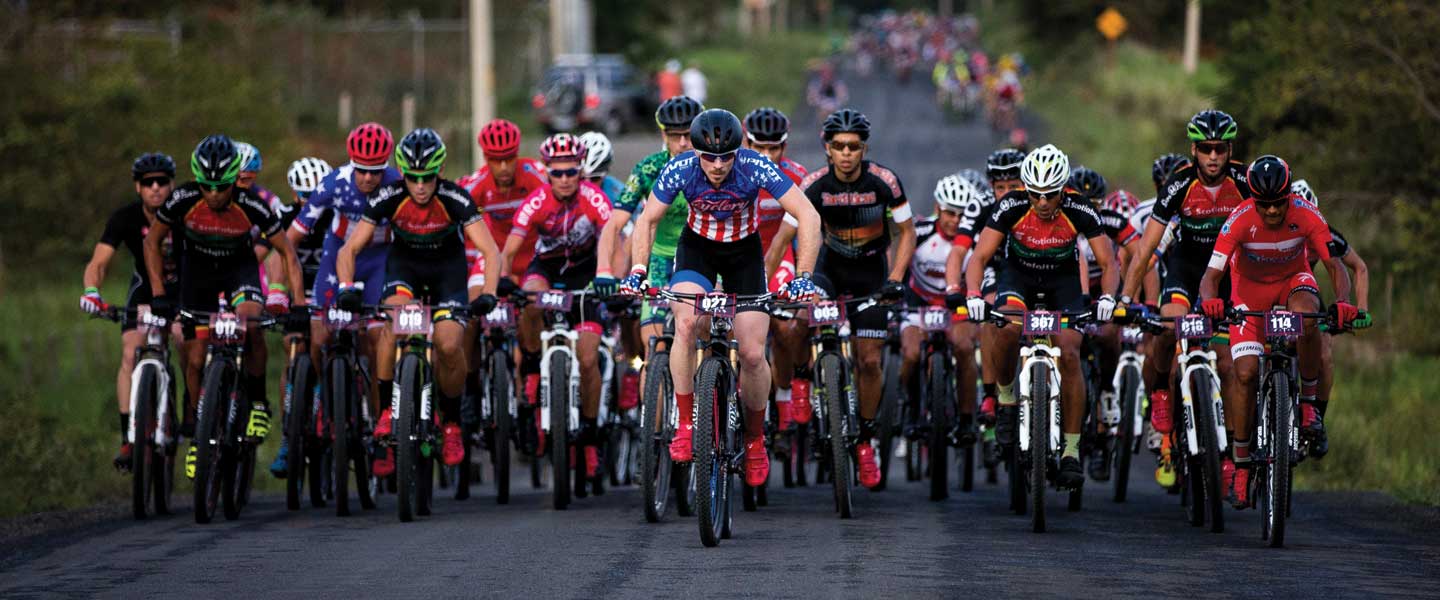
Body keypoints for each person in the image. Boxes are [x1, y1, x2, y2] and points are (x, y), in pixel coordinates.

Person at [620, 108, 822, 489]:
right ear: (695, 152)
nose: (716, 165)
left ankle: (756, 439)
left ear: (738, 150)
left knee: (750, 353)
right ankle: (683, 423)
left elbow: (807, 215)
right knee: (684, 324)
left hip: (744, 256)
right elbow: (646, 220)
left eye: (725, 156)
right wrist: (637, 271)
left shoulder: (754, 165)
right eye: (708, 156)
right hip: (697, 251)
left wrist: (804, 276)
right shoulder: (680, 168)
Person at [950, 144, 1119, 489]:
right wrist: (973, 295)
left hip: (1064, 283)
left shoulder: (1079, 207)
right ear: (1025, 188)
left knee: (1070, 352)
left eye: (1051, 195)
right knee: (1006, 328)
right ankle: (1008, 398)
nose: (1042, 203)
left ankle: (1071, 451)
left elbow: (1108, 263)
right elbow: (979, 258)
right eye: (1035, 194)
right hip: (1019, 279)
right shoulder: (1010, 205)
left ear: (1063, 190)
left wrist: (1107, 299)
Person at [335, 128, 501, 475]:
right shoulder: (389, 196)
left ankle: (452, 424)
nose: (420, 186)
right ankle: (385, 413)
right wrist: (347, 286)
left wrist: (488, 293)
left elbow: (489, 250)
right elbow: (350, 247)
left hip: (447, 276)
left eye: (427, 178)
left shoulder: (455, 198)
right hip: (405, 271)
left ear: (438, 173)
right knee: (391, 327)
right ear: (403, 174)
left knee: (450, 344)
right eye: (412, 178)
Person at [767, 108, 917, 490]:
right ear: (827, 149)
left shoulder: (885, 182)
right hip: (827, 271)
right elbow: (783, 239)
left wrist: (897, 279)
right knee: (795, 321)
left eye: (853, 146)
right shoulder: (814, 185)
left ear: (863, 148)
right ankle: (801, 379)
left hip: (871, 277)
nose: (846, 153)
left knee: (869, 361)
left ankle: (865, 441)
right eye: (838, 146)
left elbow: (907, 233)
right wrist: (764, 287)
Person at [142, 135, 306, 479]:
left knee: (251, 323)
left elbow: (287, 252)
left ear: (235, 179)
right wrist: (158, 293)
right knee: (195, 356)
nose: (214, 194)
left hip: (238, 270)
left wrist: (300, 303)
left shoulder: (253, 205)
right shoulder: (182, 198)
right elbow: (152, 242)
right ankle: (199, 438)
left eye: (221, 186)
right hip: (197, 275)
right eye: (207, 186)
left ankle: (259, 403)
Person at [1199, 155, 1355, 508]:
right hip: (1248, 295)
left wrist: (1344, 300)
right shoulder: (1238, 219)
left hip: (1292, 283)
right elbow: (1211, 277)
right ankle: (1240, 463)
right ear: (1252, 198)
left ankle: (1309, 403)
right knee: (1246, 373)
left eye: (1278, 202)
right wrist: (1211, 302)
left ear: (1289, 194)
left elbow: (1334, 265)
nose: (1271, 211)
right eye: (1264, 204)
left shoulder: (1308, 214)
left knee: (1309, 316)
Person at [1121, 109, 1249, 489]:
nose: (1213, 157)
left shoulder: (1245, 180)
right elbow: (1145, 249)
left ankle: (1228, 454)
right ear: (1193, 149)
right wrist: (1125, 298)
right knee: (1166, 327)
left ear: (1230, 150)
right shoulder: (1178, 185)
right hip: (1187, 269)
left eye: (1220, 149)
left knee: (1229, 364)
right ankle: (1161, 392)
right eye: (1206, 149)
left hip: (1228, 273)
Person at [497, 133, 614, 493]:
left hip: (586, 274)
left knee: (590, 358)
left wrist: (612, 277)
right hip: (545, 270)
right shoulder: (535, 202)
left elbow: (615, 240)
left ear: (580, 172)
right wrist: (503, 279)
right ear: (547, 173)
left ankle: (591, 438)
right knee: (529, 299)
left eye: (571, 173)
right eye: (557, 173)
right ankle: (532, 368)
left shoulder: (595, 198)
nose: (564, 179)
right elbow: (510, 248)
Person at [594, 96, 704, 397]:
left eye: (689, 135)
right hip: (659, 261)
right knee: (652, 350)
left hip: (703, 260)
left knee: (706, 337)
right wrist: (605, 270)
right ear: (662, 135)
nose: (683, 143)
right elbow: (615, 224)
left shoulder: (713, 166)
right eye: (674, 136)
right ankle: (652, 439)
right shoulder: (648, 169)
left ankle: (709, 402)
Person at [80, 152, 182, 470]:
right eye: (148, 182)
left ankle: (195, 415)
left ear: (172, 185)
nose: (155, 188)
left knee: (184, 339)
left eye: (162, 182)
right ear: (137, 187)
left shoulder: (185, 214)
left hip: (182, 290)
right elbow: (98, 262)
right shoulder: (124, 217)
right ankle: (128, 438)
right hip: (144, 292)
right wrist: (92, 292)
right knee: (129, 352)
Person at [900, 174, 984, 455]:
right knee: (911, 355)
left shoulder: (975, 239)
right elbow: (898, 265)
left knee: (963, 347)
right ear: (938, 207)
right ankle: (911, 410)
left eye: (961, 215)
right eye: (949, 212)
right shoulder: (920, 231)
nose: (955, 220)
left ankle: (966, 418)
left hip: (956, 307)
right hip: (920, 302)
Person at [945, 148, 1025, 432]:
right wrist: (956, 288)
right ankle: (991, 394)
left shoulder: (1039, 200)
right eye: (999, 187)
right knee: (993, 311)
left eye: (1013, 187)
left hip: (1036, 269)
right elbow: (958, 252)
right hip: (998, 267)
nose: (1005, 193)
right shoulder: (980, 205)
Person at [267, 157, 334, 478]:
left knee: (322, 343)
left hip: (329, 291)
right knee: (293, 352)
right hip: (298, 292)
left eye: (317, 194)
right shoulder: (284, 216)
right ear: (295, 194)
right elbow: (273, 257)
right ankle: (287, 436)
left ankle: (327, 403)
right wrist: (278, 292)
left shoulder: (337, 215)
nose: (312, 203)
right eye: (305, 196)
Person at [745, 106, 811, 433]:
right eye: (760, 147)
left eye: (775, 147)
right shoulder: (733, 171)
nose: (768, 155)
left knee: (786, 328)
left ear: (785, 145)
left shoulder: (797, 175)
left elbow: (808, 231)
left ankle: (786, 395)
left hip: (782, 257)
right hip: (739, 259)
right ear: (746, 143)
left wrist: (805, 275)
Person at [457, 119, 549, 299]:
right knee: (474, 303)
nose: (504, 168)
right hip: (494, 255)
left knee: (534, 307)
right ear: (485, 158)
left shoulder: (536, 175)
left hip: (532, 256)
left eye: (509, 158)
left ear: (517, 154)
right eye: (497, 160)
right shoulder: (477, 185)